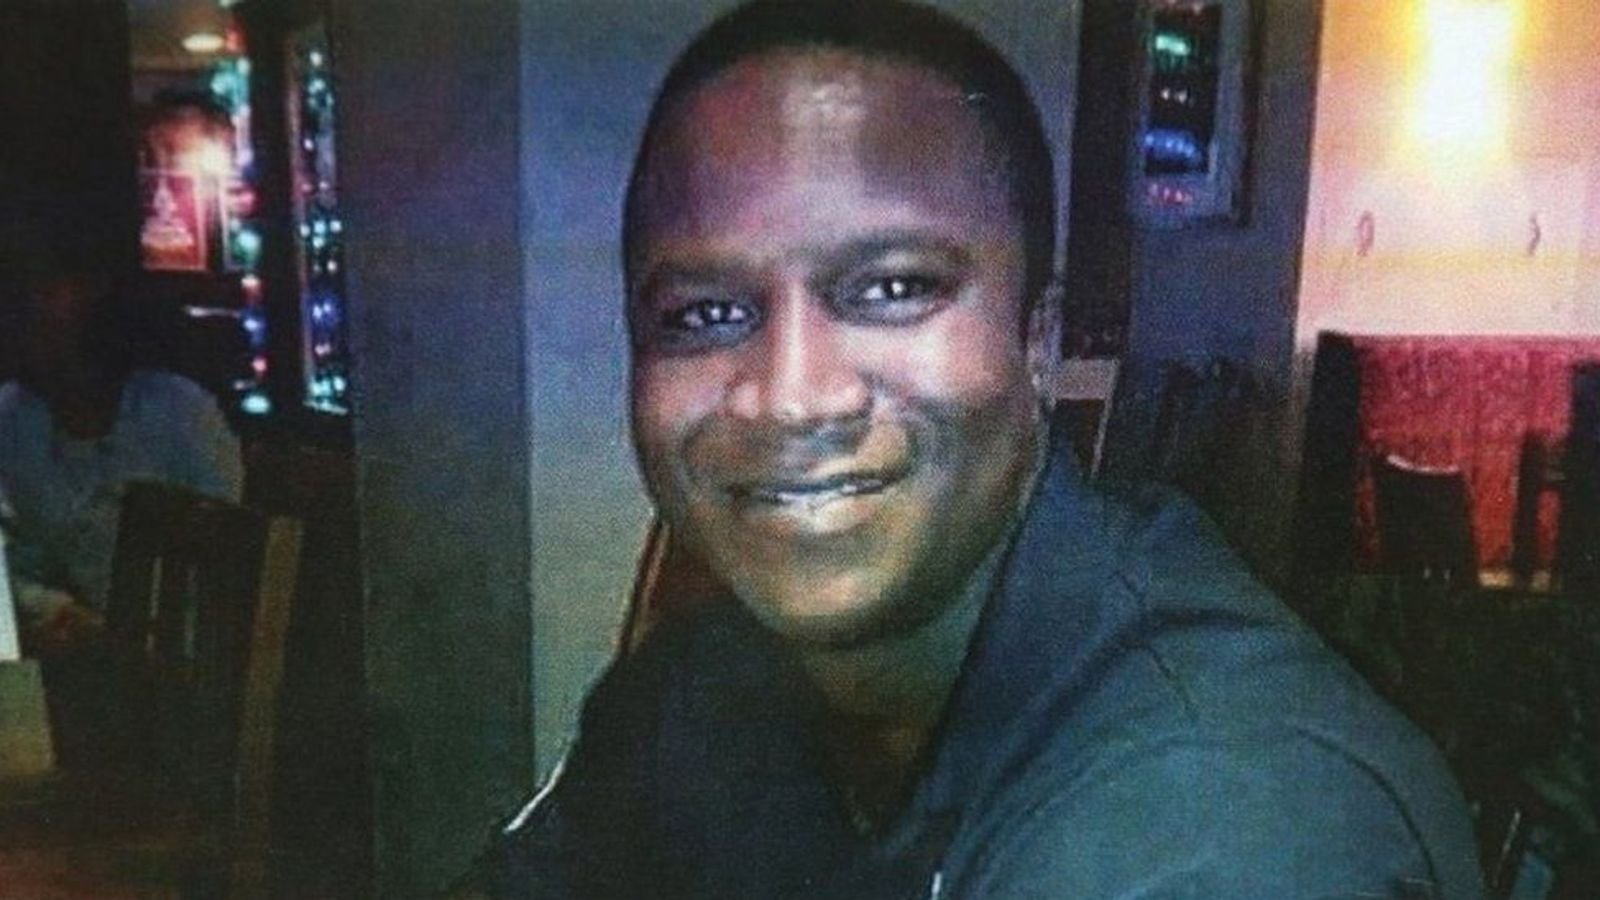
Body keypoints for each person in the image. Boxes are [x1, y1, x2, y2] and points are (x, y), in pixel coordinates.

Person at [468, 1, 1484, 896]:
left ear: (1036, 342)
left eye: (892, 288)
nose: (790, 398)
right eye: (704, 314)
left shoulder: (1217, 828)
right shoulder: (707, 684)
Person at [0, 261, 242, 657]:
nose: (25, 329)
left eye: (47, 319)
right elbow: (14, 559)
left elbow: (222, 557)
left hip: (182, 652)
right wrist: (53, 608)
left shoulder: (178, 412)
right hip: (65, 651)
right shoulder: (14, 415)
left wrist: (124, 634)